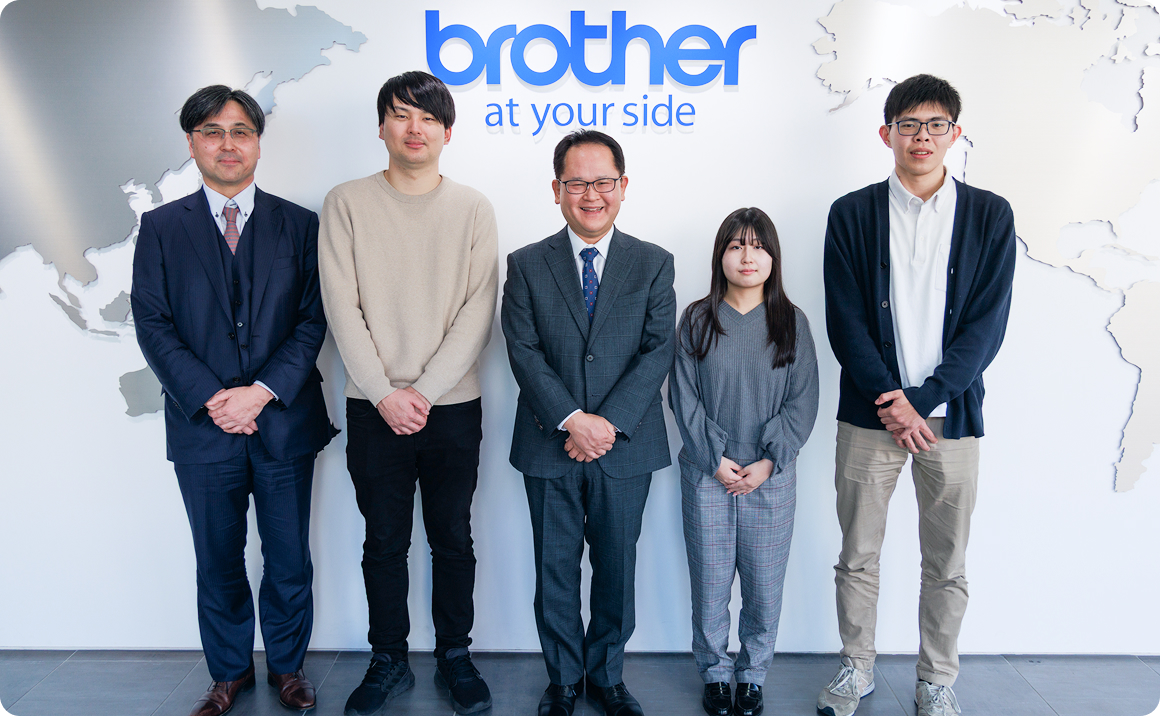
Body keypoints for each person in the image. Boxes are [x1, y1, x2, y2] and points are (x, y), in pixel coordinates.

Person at [816, 74, 1016, 716]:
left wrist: (925, 398)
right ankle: (856, 668)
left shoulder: (990, 214)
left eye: (935, 125)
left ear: (955, 134)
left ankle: (937, 680)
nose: (921, 137)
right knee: (857, 555)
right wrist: (892, 399)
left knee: (947, 561)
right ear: (887, 134)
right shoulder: (852, 213)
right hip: (869, 417)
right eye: (908, 125)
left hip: (950, 418)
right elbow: (845, 319)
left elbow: (987, 324)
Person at [132, 85, 335, 716]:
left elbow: (312, 319)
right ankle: (227, 673)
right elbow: (153, 323)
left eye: (241, 131)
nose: (228, 144)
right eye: (213, 132)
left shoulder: (300, 224)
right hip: (203, 426)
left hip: (283, 422)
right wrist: (215, 398)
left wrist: (260, 393)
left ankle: (288, 668)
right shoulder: (161, 227)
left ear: (258, 143)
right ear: (192, 142)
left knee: (288, 556)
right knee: (217, 559)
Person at [318, 70, 498, 716]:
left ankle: (455, 654)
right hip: (373, 408)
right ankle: (388, 658)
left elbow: (479, 311)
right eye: (400, 114)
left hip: (453, 408)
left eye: (427, 118)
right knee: (384, 541)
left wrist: (420, 391)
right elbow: (341, 307)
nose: (413, 128)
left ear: (447, 132)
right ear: (381, 127)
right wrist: (383, 393)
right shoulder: (346, 203)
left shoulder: (473, 208)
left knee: (453, 538)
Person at [501, 129, 676, 716]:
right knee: (553, 568)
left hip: (625, 446)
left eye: (603, 182)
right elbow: (523, 350)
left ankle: (607, 676)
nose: (591, 195)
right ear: (556, 190)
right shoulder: (526, 263)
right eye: (577, 183)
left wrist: (606, 424)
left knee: (616, 567)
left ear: (623, 186)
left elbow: (657, 351)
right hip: (549, 441)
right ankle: (563, 681)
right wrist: (573, 419)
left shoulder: (653, 262)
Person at [669, 208, 819, 716]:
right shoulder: (697, 319)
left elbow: (803, 400)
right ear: (721, 256)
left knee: (763, 586)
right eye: (736, 246)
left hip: (770, 478)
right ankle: (715, 675)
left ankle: (752, 676)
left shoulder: (792, 322)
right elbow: (683, 396)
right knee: (710, 584)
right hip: (707, 475)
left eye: (758, 246)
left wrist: (770, 461)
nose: (747, 256)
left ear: (773, 257)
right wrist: (714, 458)